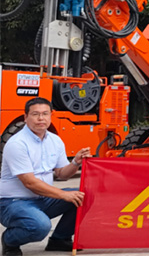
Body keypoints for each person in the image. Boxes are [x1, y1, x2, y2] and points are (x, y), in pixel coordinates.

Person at [0, 97, 91, 256]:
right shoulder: (17, 144)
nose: (41, 118)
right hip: (14, 202)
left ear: (51, 115)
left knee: (85, 195)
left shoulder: (55, 140)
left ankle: (60, 239)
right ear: (26, 117)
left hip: (43, 199)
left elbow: (62, 174)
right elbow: (30, 183)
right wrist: (63, 194)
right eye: (35, 114)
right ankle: (10, 240)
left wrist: (76, 162)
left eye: (45, 114)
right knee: (40, 226)